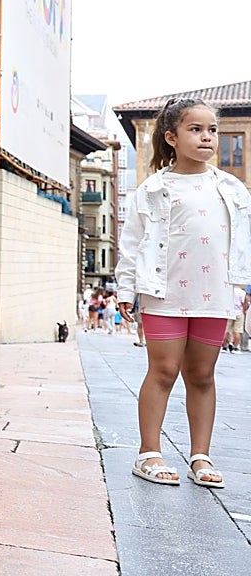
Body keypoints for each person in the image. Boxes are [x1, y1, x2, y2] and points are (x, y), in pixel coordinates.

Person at [117, 98, 251, 488]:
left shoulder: (231, 188)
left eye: (212, 130)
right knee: (163, 370)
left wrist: (241, 287)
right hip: (164, 292)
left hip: (215, 293)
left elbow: (242, 242)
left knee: (203, 374)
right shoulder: (154, 188)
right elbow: (132, 242)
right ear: (172, 137)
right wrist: (127, 288)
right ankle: (149, 452)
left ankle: (200, 455)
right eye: (196, 129)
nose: (207, 137)